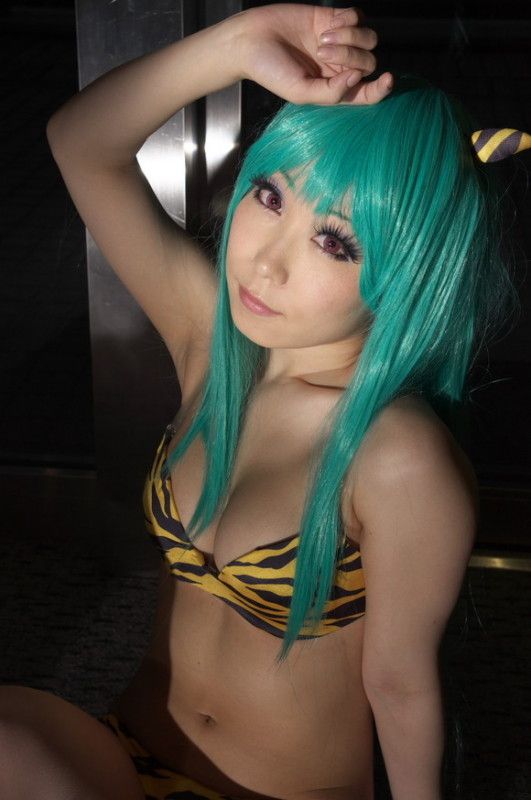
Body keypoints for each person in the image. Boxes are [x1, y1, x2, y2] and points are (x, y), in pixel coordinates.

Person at [0, 4, 518, 800]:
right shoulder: (211, 347)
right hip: (126, 752)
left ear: (408, 273)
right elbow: (81, 142)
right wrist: (238, 45)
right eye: (271, 196)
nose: (265, 264)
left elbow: (400, 685)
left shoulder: (396, 454)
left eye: (334, 241)